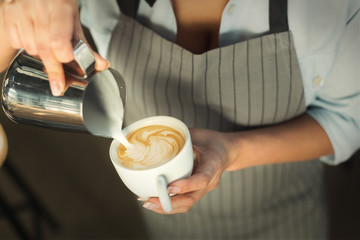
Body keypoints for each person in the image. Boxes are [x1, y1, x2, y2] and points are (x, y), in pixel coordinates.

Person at [1, 0, 359, 239]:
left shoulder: (328, 8)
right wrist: (9, 17)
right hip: (168, 222)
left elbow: (347, 120)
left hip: (287, 220)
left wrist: (231, 152)